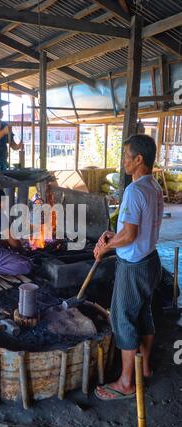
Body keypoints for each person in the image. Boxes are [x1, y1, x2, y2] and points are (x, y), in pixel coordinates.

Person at [93, 134, 164, 401]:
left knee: (122, 319)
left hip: (133, 266)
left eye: (126, 156)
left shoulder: (135, 191)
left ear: (139, 159)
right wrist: (113, 235)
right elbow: (134, 229)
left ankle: (125, 383)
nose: (123, 161)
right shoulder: (153, 186)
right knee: (143, 313)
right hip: (150, 261)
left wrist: (107, 247)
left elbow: (131, 234)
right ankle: (143, 369)